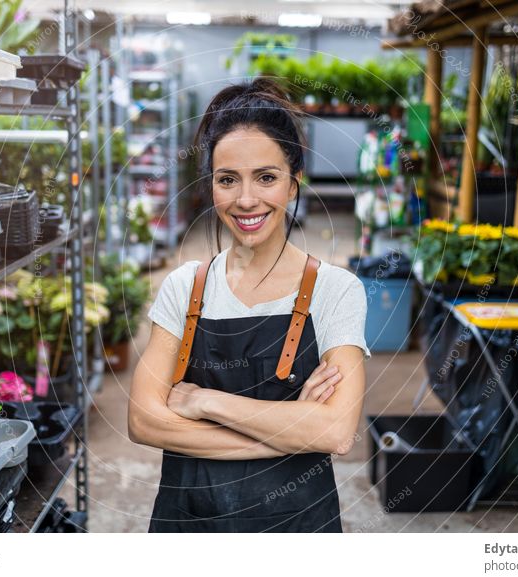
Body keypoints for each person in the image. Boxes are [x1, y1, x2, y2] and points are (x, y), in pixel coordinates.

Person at [128, 77, 371, 533]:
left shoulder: (335, 290)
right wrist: (292, 432)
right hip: (189, 525)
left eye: (266, 177)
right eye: (228, 179)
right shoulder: (185, 287)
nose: (246, 200)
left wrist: (203, 400)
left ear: (293, 185)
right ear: (212, 187)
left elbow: (336, 431)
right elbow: (143, 421)